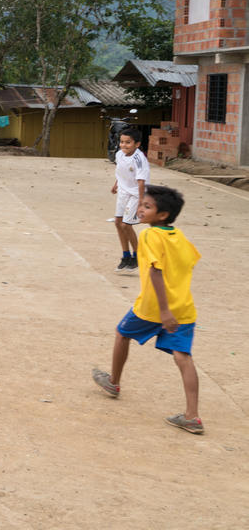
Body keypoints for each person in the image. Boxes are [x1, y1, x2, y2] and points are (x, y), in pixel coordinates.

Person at [92, 185, 204, 434]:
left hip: (153, 307)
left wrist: (163, 311)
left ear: (162, 215)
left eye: (147, 206)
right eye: (141, 204)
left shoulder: (149, 236)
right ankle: (192, 417)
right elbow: (191, 261)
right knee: (183, 357)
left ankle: (113, 382)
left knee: (122, 333)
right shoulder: (179, 236)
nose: (140, 210)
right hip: (183, 308)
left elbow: (155, 271)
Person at [111, 128, 150, 275]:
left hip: (136, 194)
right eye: (122, 142)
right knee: (117, 223)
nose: (124, 145)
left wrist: (141, 202)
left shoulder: (140, 160)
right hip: (123, 191)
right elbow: (121, 172)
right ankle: (126, 256)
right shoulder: (119, 154)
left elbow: (141, 182)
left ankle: (138, 256)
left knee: (126, 225)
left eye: (128, 142)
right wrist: (116, 184)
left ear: (137, 144)